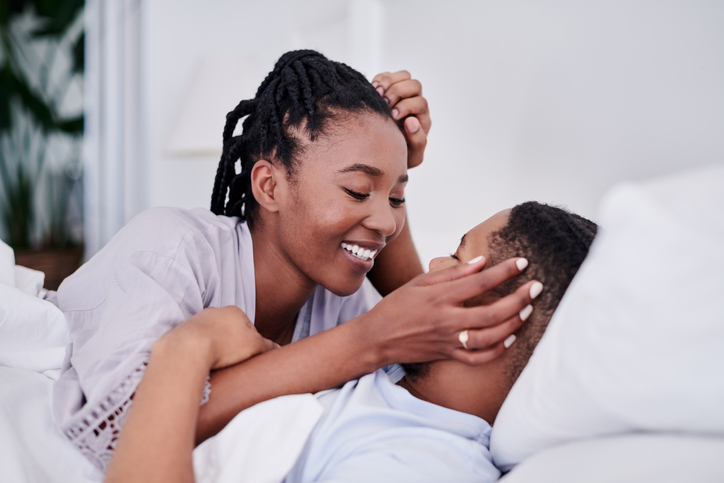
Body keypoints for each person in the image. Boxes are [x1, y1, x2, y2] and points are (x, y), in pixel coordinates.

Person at [51, 50, 535, 469]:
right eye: (357, 189)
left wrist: (392, 167)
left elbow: (414, 318)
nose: (387, 223)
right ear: (269, 185)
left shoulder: (340, 303)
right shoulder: (171, 249)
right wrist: (366, 342)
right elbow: (123, 429)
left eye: (396, 200)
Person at [104, 202, 597, 482]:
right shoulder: (394, 380)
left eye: (457, 257)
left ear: (495, 320)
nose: (432, 268)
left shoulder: (411, 467)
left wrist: (186, 349)